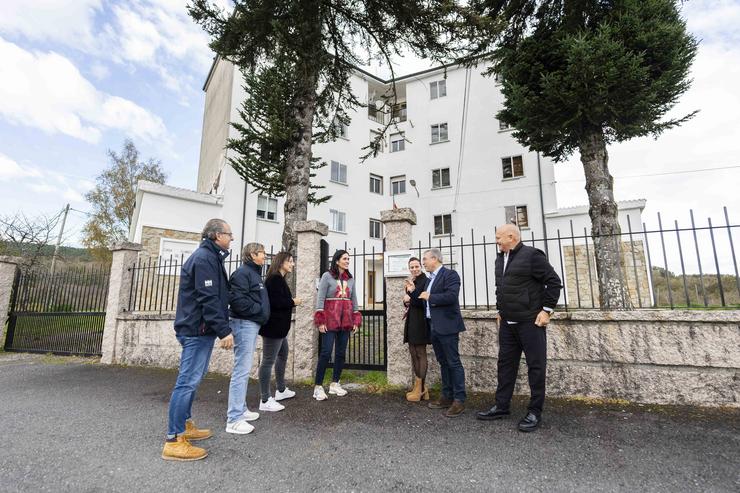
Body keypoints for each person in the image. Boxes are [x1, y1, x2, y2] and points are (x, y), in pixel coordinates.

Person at [477, 224, 562, 432]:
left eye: (499, 237)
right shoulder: (500, 259)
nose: (496, 241)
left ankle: (535, 411)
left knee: (536, 366)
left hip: (530, 322)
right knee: (505, 365)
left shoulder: (532, 255)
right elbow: (502, 288)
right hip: (508, 323)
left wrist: (546, 310)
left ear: (511, 236)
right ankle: (502, 406)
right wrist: (500, 310)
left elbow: (554, 282)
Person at [162, 218, 235, 461]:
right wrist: (224, 330)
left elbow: (216, 295)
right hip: (196, 330)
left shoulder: (210, 257)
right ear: (216, 235)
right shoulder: (204, 259)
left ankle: (185, 424)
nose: (231, 238)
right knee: (187, 382)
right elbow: (208, 298)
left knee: (193, 379)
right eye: (228, 234)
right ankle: (174, 439)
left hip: (200, 330)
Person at [410, 248, 466, 417]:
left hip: (447, 326)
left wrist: (431, 297)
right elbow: (422, 302)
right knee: (443, 362)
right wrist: (412, 292)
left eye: (425, 259)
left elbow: (451, 297)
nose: (424, 262)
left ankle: (459, 400)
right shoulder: (429, 280)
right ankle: (447, 396)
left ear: (435, 259)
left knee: (453, 362)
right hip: (433, 326)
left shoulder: (450, 275)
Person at [225, 242, 270, 435]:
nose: (265, 256)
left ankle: (241, 410)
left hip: (251, 324)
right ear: (252, 254)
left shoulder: (253, 273)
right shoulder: (242, 273)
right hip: (244, 324)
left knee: (244, 369)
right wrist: (259, 311)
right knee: (241, 371)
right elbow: (237, 300)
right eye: (262, 253)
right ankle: (233, 418)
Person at [313, 250, 362, 400]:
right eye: (345, 259)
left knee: (341, 353)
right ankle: (318, 386)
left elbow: (354, 300)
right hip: (329, 321)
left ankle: (335, 384)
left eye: (348, 259)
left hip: (346, 321)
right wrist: (320, 320)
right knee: (326, 352)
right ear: (337, 261)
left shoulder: (351, 279)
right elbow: (320, 298)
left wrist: (356, 319)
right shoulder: (327, 276)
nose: (347, 261)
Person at [258, 252, 302, 411]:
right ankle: (264, 400)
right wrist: (293, 301)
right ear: (281, 262)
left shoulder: (279, 279)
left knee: (283, 355)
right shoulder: (274, 279)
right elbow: (275, 302)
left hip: (279, 329)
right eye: (290, 261)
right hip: (273, 329)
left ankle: (281, 390)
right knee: (268, 361)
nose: (292, 264)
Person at [403, 257, 431, 402]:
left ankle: (420, 389)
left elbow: (422, 303)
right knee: (413, 352)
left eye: (416, 266)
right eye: (412, 267)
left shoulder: (426, 281)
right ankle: (421, 388)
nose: (414, 269)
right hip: (412, 319)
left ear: (421, 266)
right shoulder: (411, 281)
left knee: (420, 352)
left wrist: (412, 293)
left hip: (420, 320)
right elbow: (409, 302)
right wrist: (405, 298)